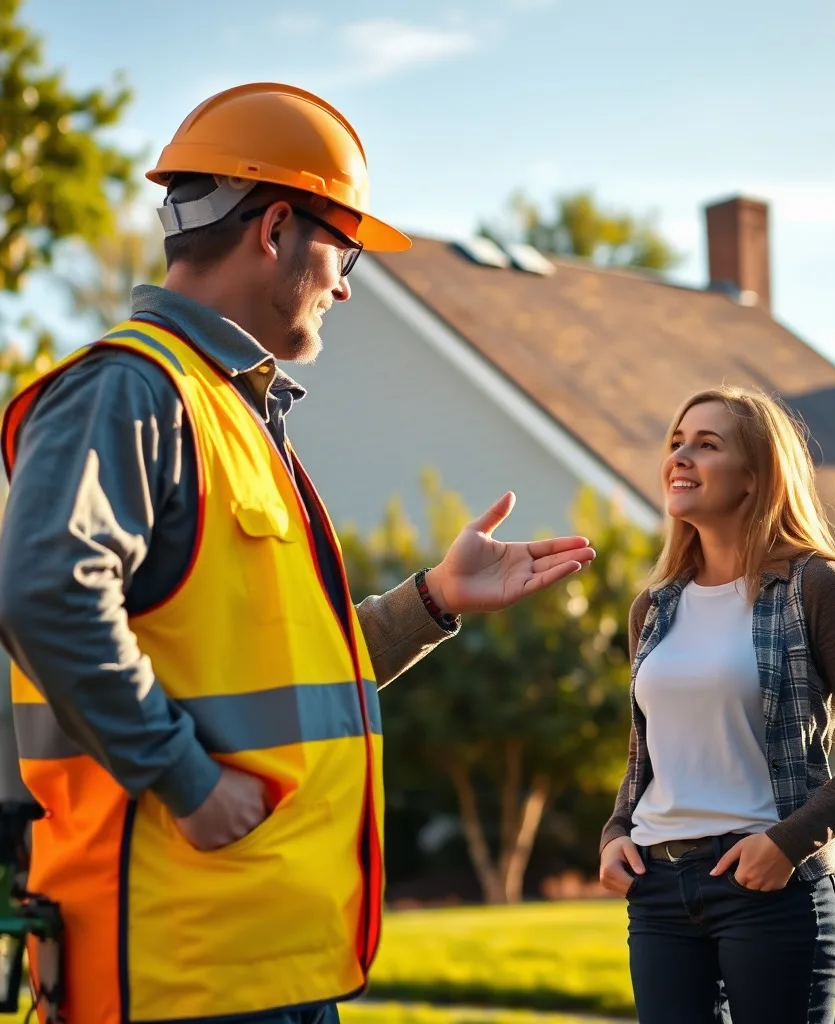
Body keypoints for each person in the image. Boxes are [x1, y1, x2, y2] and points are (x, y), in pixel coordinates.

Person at [0, 82, 596, 1024]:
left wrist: (431, 603)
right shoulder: (132, 392)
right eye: (345, 249)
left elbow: (280, 678)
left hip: (263, 965)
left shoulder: (230, 411)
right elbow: (44, 594)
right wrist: (185, 780)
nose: (349, 282)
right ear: (275, 228)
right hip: (179, 971)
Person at [597, 386, 835, 1024]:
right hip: (659, 894)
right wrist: (614, 834)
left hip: (770, 887)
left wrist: (789, 843)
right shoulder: (654, 608)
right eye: (676, 443)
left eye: (706, 445)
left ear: (754, 477)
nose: (680, 457)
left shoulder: (815, 586)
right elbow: (648, 754)